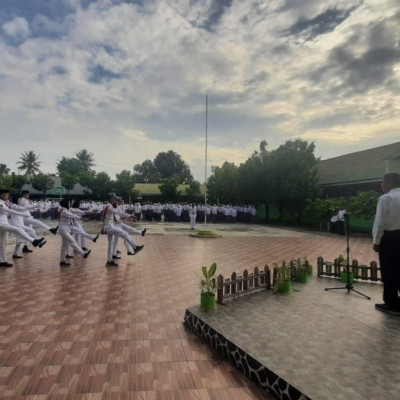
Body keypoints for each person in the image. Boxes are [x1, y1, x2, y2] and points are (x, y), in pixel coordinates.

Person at [372, 172, 400, 315]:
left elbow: (380, 223)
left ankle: (392, 304)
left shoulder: (386, 198)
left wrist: (376, 241)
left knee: (389, 271)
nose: (381, 185)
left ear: (389, 183)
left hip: (390, 238)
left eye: (382, 183)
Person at [0, 189, 45, 267]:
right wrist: (22, 215)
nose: (8, 196)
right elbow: (8, 210)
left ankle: (2, 261)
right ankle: (33, 241)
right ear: (1, 195)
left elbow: (7, 213)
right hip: (1, 224)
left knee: (4, 243)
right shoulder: (1, 203)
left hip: (5, 223)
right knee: (19, 230)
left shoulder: (5, 203)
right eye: (6, 195)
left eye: (8, 195)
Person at [102, 193, 144, 267]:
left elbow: (106, 217)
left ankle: (109, 261)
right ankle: (135, 247)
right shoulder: (109, 207)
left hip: (108, 226)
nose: (116, 200)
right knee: (125, 234)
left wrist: (103, 227)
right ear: (111, 199)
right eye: (114, 198)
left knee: (110, 244)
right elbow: (119, 213)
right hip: (109, 226)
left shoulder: (108, 206)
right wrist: (130, 216)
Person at [57, 198, 91, 267]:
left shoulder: (66, 210)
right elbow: (73, 216)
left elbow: (71, 218)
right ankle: (83, 254)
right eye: (69, 203)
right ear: (66, 204)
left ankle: (62, 261)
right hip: (63, 230)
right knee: (72, 241)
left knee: (64, 245)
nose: (70, 204)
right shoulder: (64, 211)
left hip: (65, 229)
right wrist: (83, 218)